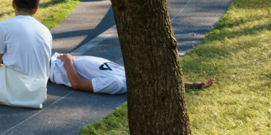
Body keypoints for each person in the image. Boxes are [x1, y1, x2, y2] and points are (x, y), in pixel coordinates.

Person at [50, 52, 216, 94]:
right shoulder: (126, 73)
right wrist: (192, 84)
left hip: (50, 69)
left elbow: (77, 84)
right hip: (53, 59)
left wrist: (69, 61)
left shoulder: (117, 84)